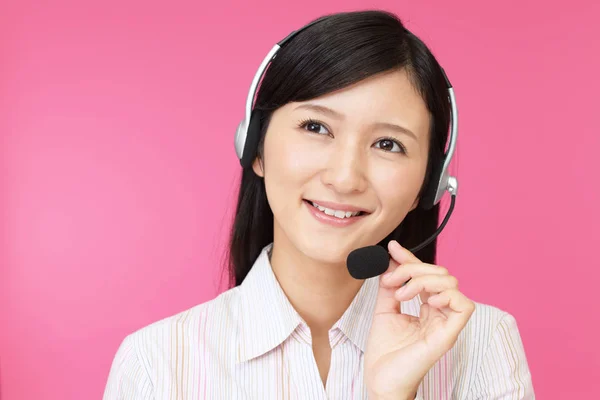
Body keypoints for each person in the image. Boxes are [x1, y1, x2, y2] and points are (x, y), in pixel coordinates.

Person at [103, 10, 534, 399]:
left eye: (388, 144)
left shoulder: (481, 345)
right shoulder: (156, 364)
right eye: (316, 126)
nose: (345, 177)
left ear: (430, 185)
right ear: (255, 146)